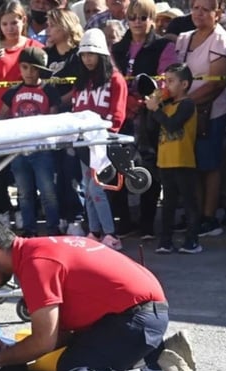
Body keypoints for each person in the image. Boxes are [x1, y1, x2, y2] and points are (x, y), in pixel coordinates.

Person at [0, 218, 219, 371]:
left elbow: (44, 341)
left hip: (135, 318)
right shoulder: (40, 247)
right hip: (141, 313)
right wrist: (12, 352)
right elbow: (59, 334)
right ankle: (158, 354)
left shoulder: (34, 264)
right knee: (74, 361)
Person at [110, 0, 177, 240]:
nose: (137, 22)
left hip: (150, 116)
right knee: (118, 168)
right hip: (122, 116)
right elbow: (111, 80)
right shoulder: (117, 48)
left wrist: (149, 100)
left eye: (143, 17)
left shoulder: (163, 46)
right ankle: (124, 221)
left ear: (152, 19)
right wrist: (124, 102)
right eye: (133, 17)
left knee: (149, 169)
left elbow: (166, 81)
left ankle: (147, 223)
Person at [0, 1, 44, 225]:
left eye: (14, 22)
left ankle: (30, 211)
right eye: (4, 23)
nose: (10, 28)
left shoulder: (34, 45)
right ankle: (2, 209)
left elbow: (42, 78)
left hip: (26, 112)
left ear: (23, 20)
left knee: (28, 166)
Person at [173, 0, 226, 238]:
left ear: (218, 13)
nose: (198, 13)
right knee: (190, 166)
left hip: (211, 114)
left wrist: (184, 102)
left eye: (205, 9)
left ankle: (209, 218)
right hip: (184, 114)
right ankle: (193, 214)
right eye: (195, 8)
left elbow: (216, 84)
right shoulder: (184, 38)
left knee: (209, 166)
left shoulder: (222, 40)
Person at [71, 28, 128, 250]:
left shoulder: (115, 79)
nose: (87, 59)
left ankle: (110, 234)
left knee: (96, 189)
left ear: (102, 54)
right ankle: (94, 231)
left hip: (103, 143)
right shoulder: (81, 81)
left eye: (91, 54)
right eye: (84, 55)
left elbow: (118, 115)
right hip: (83, 143)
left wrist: (104, 135)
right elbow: (76, 110)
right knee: (87, 188)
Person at [0, 47, 61, 237]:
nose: (29, 73)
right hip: (19, 150)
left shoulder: (49, 91)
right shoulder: (13, 91)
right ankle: (28, 228)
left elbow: (54, 119)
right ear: (20, 67)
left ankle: (53, 227)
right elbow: (1, 117)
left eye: (34, 68)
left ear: (41, 69)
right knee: (24, 193)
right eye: (25, 67)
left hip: (42, 150)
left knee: (48, 191)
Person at [146, 63, 201, 253]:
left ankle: (192, 240)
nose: (166, 86)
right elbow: (151, 129)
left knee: (188, 202)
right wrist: (153, 106)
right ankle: (165, 240)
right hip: (165, 161)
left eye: (170, 81)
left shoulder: (187, 104)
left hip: (183, 160)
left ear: (184, 84)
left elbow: (172, 125)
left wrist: (156, 111)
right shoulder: (167, 106)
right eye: (164, 81)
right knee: (168, 204)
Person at [45, 7, 85, 230]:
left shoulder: (79, 55)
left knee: (72, 171)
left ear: (66, 26)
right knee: (56, 170)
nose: (48, 29)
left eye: (53, 25)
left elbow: (80, 86)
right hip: (50, 121)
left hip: (70, 119)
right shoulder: (47, 54)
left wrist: (59, 103)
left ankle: (76, 217)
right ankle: (61, 215)